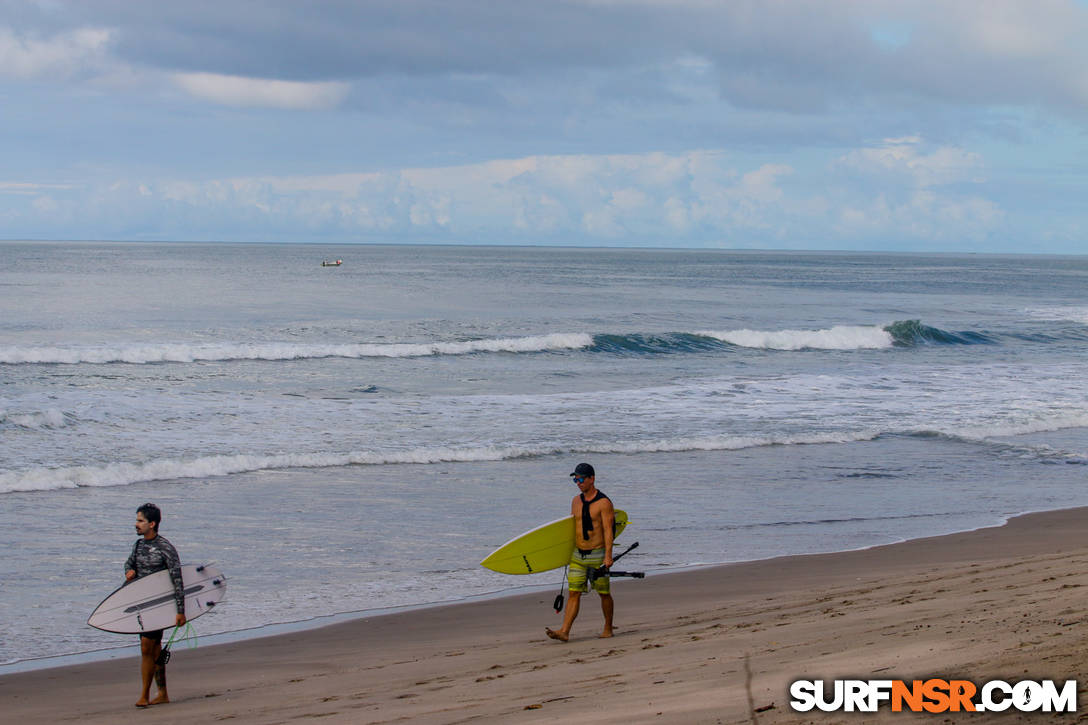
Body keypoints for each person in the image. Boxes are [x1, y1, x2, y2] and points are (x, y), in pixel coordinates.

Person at [124, 502, 186, 707]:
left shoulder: (165, 548)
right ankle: (162, 693)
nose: (136, 524)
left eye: (140, 520)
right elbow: (129, 563)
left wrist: (180, 611)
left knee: (146, 646)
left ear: (152, 524)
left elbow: (177, 580)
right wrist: (129, 571)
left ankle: (144, 695)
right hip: (143, 604)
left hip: (160, 605)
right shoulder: (138, 545)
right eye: (137, 520)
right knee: (155, 648)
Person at [546, 463, 615, 641]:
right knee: (574, 593)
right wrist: (564, 554)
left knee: (604, 593)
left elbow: (608, 531)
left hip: (597, 554)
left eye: (581, 479)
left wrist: (608, 556)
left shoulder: (604, 503)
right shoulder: (575, 501)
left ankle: (608, 627)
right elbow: (571, 529)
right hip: (577, 555)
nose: (578, 483)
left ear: (592, 479)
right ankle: (564, 631)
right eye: (575, 480)